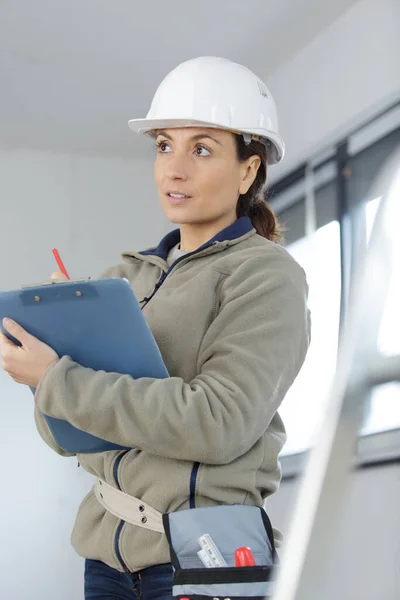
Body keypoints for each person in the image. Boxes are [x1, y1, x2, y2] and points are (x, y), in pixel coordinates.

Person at [0, 56, 311, 600]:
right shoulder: (125, 278)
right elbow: (67, 438)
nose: (174, 169)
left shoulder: (266, 276)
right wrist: (44, 373)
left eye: (202, 149)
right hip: (105, 561)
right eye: (164, 145)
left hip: (205, 559)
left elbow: (219, 423)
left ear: (248, 170)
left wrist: (60, 380)